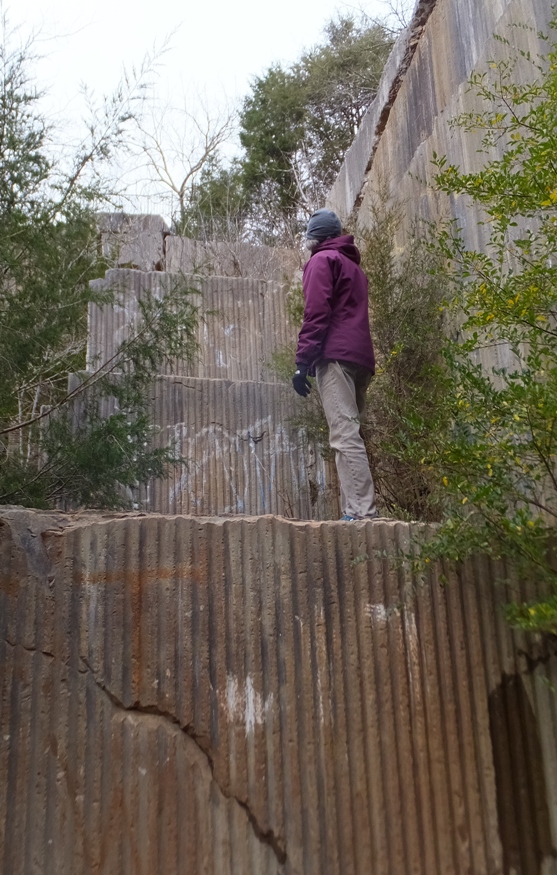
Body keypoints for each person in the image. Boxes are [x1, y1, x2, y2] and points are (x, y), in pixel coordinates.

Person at [292, 208, 380, 521]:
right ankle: (355, 509)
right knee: (350, 433)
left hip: (336, 359)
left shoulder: (320, 261)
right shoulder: (354, 268)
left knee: (344, 435)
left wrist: (302, 362)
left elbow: (316, 313)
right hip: (361, 360)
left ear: (314, 237)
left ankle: (361, 512)